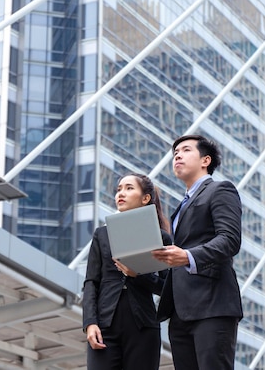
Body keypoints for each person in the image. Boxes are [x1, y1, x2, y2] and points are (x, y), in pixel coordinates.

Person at [152, 134, 243, 370]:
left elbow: (230, 240)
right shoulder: (180, 208)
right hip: (181, 311)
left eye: (185, 150)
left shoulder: (220, 190)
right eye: (175, 154)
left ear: (206, 160)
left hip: (213, 305)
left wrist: (188, 256)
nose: (177, 156)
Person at [82, 173, 172, 370]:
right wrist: (90, 323)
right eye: (119, 189)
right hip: (104, 326)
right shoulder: (102, 235)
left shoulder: (162, 238)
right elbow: (91, 282)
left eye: (129, 188)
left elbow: (168, 288)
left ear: (145, 198)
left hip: (143, 327)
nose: (121, 193)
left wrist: (138, 275)